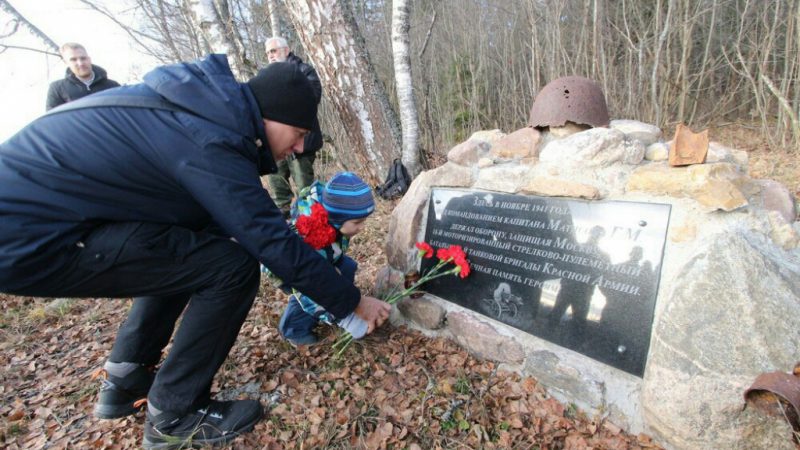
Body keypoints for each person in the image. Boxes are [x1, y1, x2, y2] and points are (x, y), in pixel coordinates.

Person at [0, 55, 391, 449]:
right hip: (32, 233)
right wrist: (351, 302)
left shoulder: (201, 112)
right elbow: (268, 241)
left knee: (189, 250)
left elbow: (223, 216)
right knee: (231, 268)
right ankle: (175, 412)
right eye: (300, 131)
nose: (301, 147)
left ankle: (126, 379)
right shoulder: (209, 135)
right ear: (271, 116)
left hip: (37, 221)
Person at [267, 171, 375, 346]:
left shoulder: (332, 220)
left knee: (345, 268)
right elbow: (313, 285)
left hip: (322, 258)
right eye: (357, 222)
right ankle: (294, 329)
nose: (362, 227)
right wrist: (346, 318)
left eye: (364, 220)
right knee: (309, 291)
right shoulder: (310, 235)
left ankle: (331, 311)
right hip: (291, 269)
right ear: (338, 218)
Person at [264, 36, 324, 218]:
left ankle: (310, 224)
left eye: (274, 51)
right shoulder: (266, 76)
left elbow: (313, 98)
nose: (271, 56)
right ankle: (283, 222)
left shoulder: (304, 71)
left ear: (286, 50)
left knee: (306, 191)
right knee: (276, 183)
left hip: (301, 141)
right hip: (277, 141)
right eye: (268, 53)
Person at [45, 42, 120, 110]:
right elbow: (52, 121)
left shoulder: (113, 86)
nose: (80, 63)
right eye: (73, 60)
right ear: (66, 62)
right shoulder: (57, 89)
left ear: (89, 59)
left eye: (83, 58)